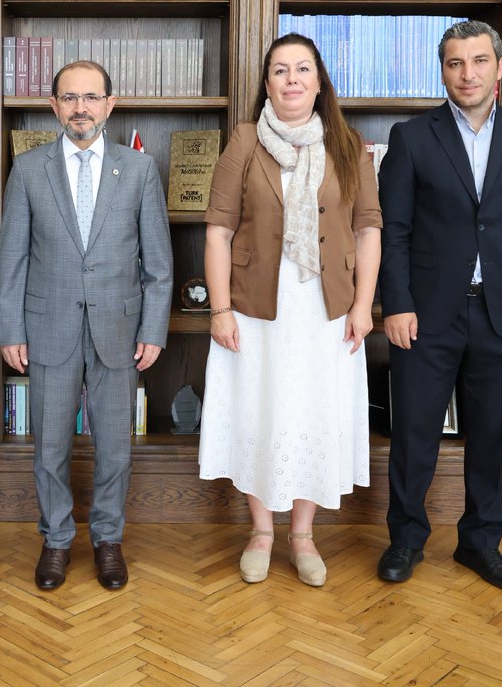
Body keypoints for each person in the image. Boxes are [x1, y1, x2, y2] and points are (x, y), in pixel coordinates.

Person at [376, 20, 502, 591]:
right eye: (456, 63)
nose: (468, 73)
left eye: (479, 61)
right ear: (443, 72)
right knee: (413, 434)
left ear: (499, 67)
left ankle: (480, 544)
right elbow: (394, 231)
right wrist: (397, 303)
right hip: (426, 314)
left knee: (492, 439)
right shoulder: (412, 137)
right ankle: (406, 540)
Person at [198, 33, 382, 588]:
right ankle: (261, 531)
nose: (292, 79)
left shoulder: (349, 145)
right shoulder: (244, 141)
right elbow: (218, 230)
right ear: (268, 83)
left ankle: (302, 534)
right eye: (280, 70)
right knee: (258, 409)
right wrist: (220, 310)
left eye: (303, 69)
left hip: (328, 309)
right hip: (255, 308)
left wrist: (364, 305)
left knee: (314, 414)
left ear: (319, 81)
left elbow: (368, 229)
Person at [0, 60, 173, 591]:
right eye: (70, 98)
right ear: (54, 106)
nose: (80, 108)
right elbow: (12, 259)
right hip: (48, 327)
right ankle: (55, 540)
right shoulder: (29, 169)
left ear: (109, 105)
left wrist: (153, 329)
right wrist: (10, 329)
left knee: (115, 448)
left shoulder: (139, 170)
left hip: (120, 330)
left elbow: (159, 264)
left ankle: (107, 539)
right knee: (49, 447)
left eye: (91, 97)